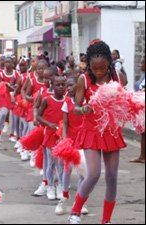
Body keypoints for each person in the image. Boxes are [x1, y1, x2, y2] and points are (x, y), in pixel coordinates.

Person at [67, 41, 126, 224]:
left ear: (109, 62)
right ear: (88, 65)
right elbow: (75, 109)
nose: (99, 71)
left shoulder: (119, 78)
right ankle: (75, 212)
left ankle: (106, 220)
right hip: (91, 129)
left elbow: (124, 102)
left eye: (102, 67)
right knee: (93, 174)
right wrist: (86, 109)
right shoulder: (83, 80)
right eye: (94, 68)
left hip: (111, 130)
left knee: (112, 176)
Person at [55, 75, 88, 215]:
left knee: (82, 171)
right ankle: (65, 197)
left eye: (71, 85)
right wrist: (64, 140)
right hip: (71, 139)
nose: (68, 88)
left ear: (80, 86)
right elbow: (65, 123)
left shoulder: (88, 102)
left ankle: (79, 202)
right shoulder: (67, 102)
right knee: (67, 169)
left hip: (85, 140)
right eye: (67, 86)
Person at [37, 74, 67, 200]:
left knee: (61, 163)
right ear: (52, 86)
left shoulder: (67, 100)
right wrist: (49, 124)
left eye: (63, 85)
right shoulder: (47, 100)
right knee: (51, 163)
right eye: (57, 85)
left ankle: (60, 186)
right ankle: (50, 187)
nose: (61, 87)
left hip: (62, 136)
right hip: (50, 134)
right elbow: (38, 116)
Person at [0, 57, 18, 142]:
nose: (7, 64)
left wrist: (10, 86)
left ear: (12, 64)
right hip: (5, 96)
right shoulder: (2, 74)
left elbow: (17, 86)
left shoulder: (16, 73)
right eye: (6, 62)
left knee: (15, 116)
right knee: (3, 114)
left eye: (9, 62)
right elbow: (0, 86)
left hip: (14, 96)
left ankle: (12, 135)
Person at [130, 55, 145, 163]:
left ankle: (142, 156)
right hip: (141, 109)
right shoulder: (143, 76)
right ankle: (142, 155)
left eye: (142, 63)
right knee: (143, 133)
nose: (141, 65)